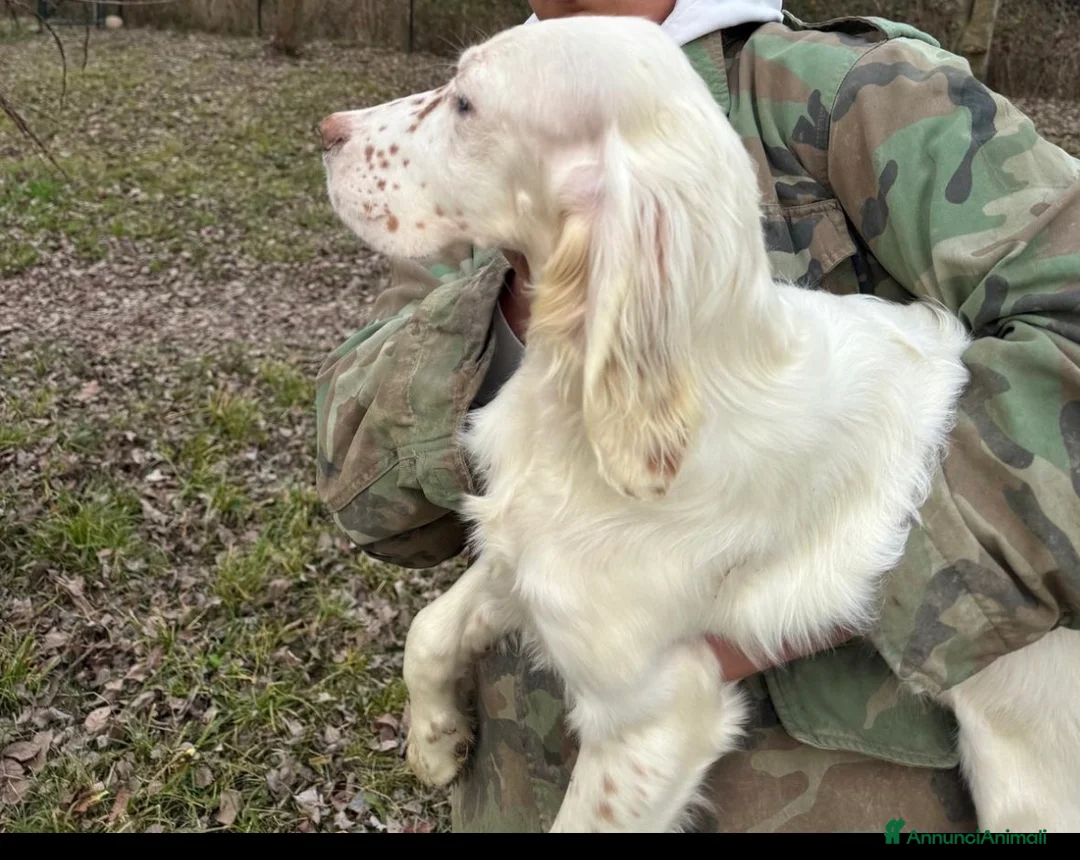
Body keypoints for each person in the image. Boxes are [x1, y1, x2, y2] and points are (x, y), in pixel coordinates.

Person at [315, 0, 1080, 832]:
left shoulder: (860, 92)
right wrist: (523, 307)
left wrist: (846, 571)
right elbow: (367, 498)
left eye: (462, 104)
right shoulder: (509, 123)